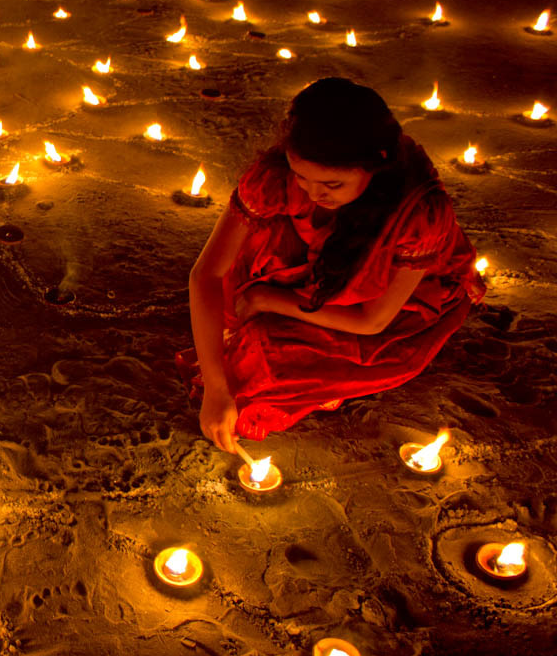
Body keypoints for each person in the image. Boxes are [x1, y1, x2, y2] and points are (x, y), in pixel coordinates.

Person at [182, 77, 485, 454]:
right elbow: (206, 274)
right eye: (301, 176)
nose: (313, 193)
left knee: (271, 384)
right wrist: (215, 387)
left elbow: (372, 322)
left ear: (377, 164)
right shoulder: (276, 178)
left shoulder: (417, 214)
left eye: (332, 184)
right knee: (228, 350)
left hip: (388, 306)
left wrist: (266, 299)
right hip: (309, 273)